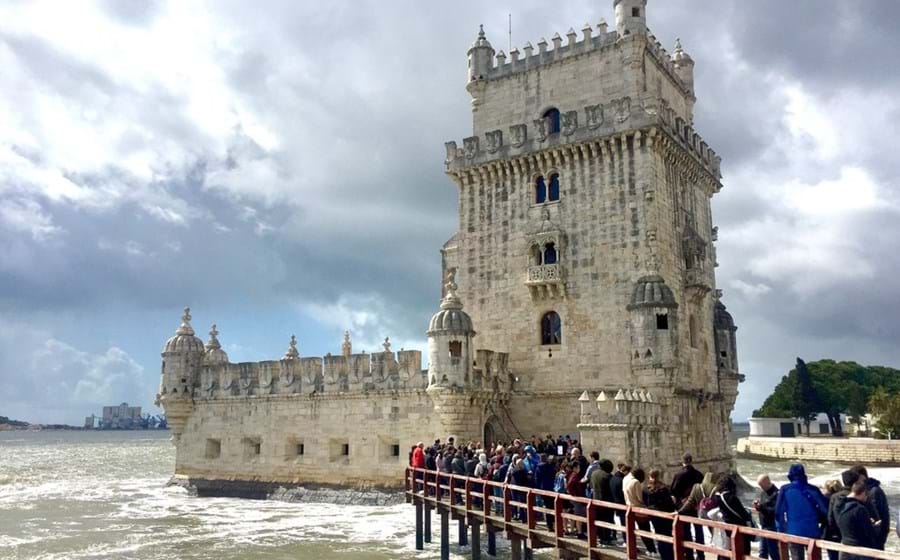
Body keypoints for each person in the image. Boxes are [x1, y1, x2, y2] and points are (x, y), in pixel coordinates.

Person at [775, 464, 828, 560]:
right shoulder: (814, 490)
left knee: (796, 557)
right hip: (813, 531)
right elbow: (825, 510)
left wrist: (782, 530)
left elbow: (779, 512)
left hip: (794, 532)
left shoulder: (785, 489)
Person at [835, 481, 880, 560]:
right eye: (866, 495)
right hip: (860, 551)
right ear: (863, 493)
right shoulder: (860, 509)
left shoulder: (839, 505)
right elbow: (869, 532)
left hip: (844, 547)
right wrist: (876, 526)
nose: (866, 498)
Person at [679, 471, 718, 560]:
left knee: (697, 533)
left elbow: (690, 502)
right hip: (714, 518)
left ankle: (700, 556)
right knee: (718, 540)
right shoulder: (716, 488)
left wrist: (679, 512)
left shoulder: (697, 487)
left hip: (701, 515)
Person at [849, 465, 889, 550]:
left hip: (877, 536)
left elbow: (876, 515)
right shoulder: (867, 489)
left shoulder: (873, 491)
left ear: (862, 476)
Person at [714, 476, 752, 557]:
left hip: (727, 528)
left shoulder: (718, 498)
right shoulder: (732, 498)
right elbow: (743, 513)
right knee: (744, 552)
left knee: (728, 550)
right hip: (739, 528)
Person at [644, 468, 676, 560]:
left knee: (659, 537)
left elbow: (646, 503)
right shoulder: (664, 488)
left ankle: (663, 556)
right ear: (659, 476)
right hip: (665, 516)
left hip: (654, 516)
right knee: (668, 537)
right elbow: (669, 504)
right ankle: (670, 557)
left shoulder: (646, 489)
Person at [624, 468, 657, 555]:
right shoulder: (636, 482)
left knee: (636, 530)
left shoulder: (626, 479)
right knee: (645, 529)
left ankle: (648, 549)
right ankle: (652, 550)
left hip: (630, 507)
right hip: (639, 509)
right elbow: (640, 498)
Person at [753, 474, 780, 560]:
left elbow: (774, 511)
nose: (761, 487)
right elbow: (763, 508)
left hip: (772, 526)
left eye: (762, 485)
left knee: (773, 552)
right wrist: (758, 507)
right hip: (764, 525)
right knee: (762, 552)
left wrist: (761, 507)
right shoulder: (763, 493)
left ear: (767, 482)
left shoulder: (776, 494)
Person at [590, 459, 616, 544]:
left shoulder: (593, 474)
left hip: (596, 499)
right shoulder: (608, 476)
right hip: (606, 501)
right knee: (607, 520)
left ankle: (600, 537)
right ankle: (607, 538)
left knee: (599, 519)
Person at [821, 479, 844, 560]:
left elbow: (823, 516)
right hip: (841, 530)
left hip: (828, 531)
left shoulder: (824, 499)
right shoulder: (842, 498)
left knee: (832, 555)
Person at [566, 462, 587, 538]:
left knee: (578, 515)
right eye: (578, 467)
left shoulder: (571, 475)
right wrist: (574, 494)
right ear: (575, 468)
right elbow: (570, 485)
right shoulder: (574, 476)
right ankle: (579, 532)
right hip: (577, 498)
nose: (579, 469)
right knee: (579, 515)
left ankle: (579, 531)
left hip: (576, 498)